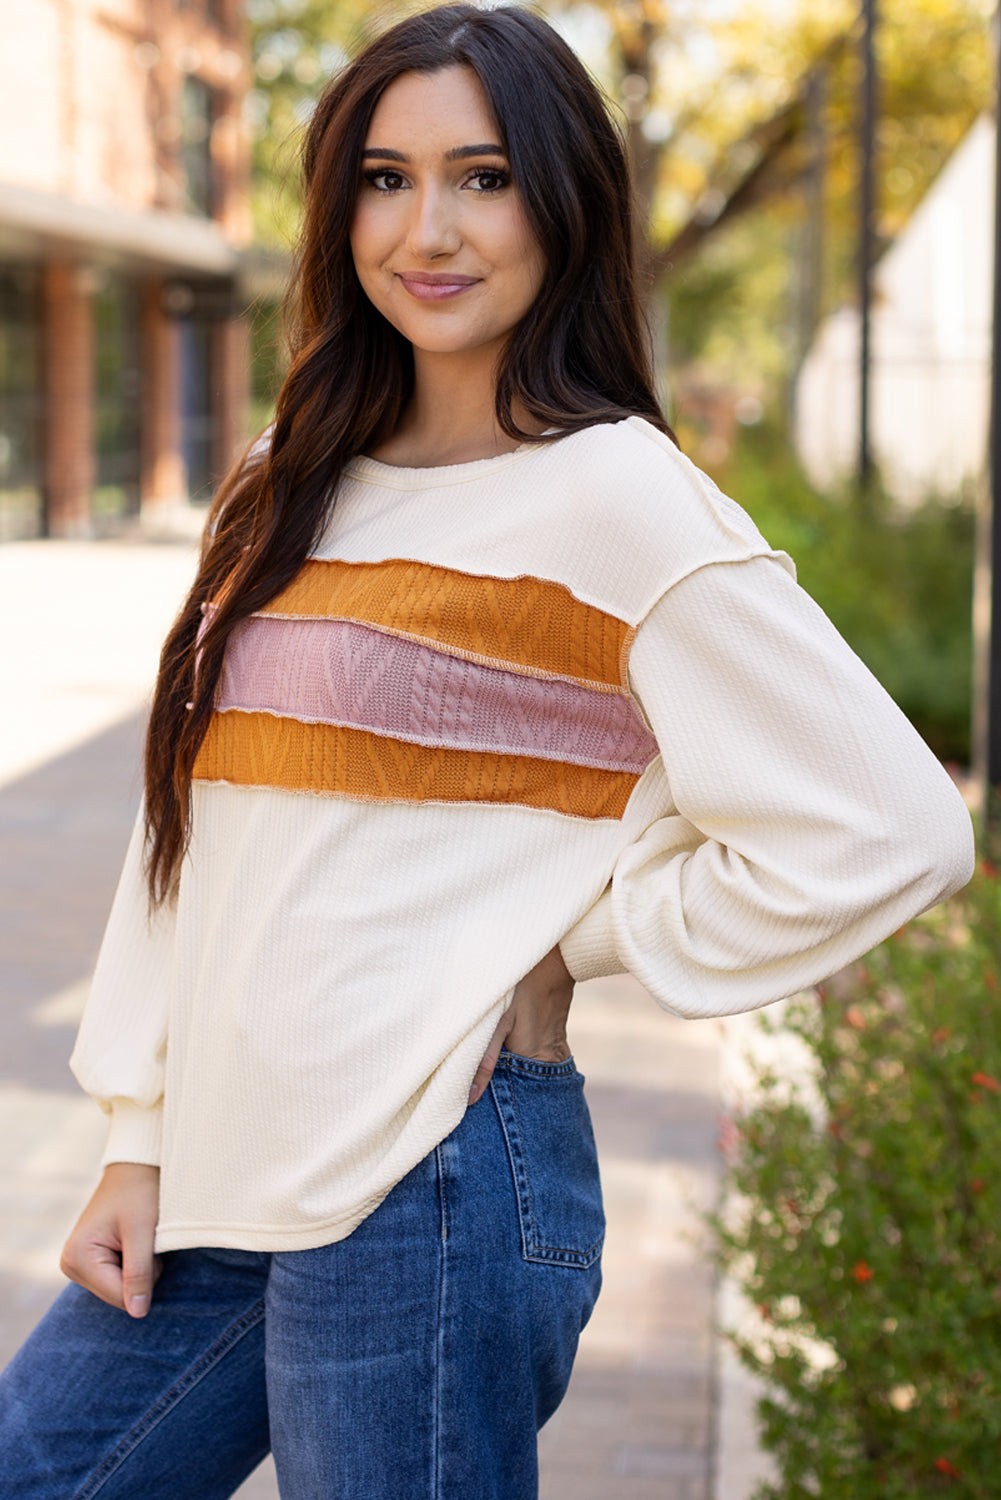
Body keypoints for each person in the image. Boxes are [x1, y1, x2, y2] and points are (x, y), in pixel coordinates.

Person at [0, 5, 974, 1497]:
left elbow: (890, 826)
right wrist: (137, 1132)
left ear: (562, 201)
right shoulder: (281, 484)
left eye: (484, 174)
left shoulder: (615, 499)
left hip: (430, 1177)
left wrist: (571, 943)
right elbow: (188, 823)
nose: (427, 228)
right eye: (385, 178)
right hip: (222, 1161)